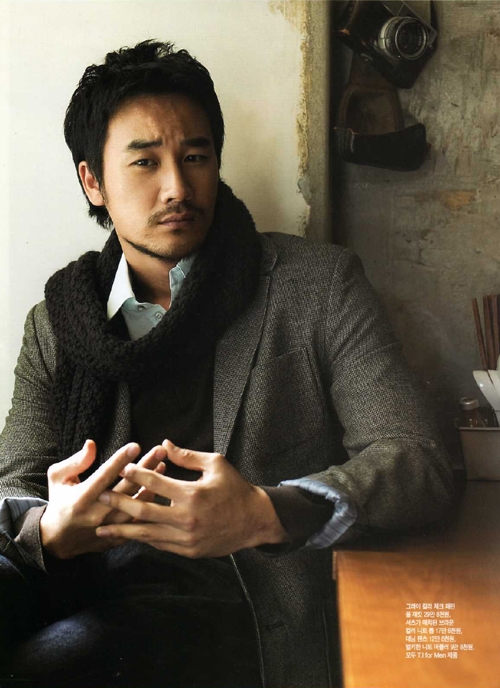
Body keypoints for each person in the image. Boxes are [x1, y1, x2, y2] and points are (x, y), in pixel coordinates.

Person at [0, 40, 453, 688]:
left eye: (196, 157)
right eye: (145, 162)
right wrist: (52, 530)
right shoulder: (59, 322)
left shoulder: (317, 286)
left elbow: (418, 459)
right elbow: (13, 488)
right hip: (85, 590)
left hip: (245, 615)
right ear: (92, 180)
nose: (178, 188)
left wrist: (267, 512)